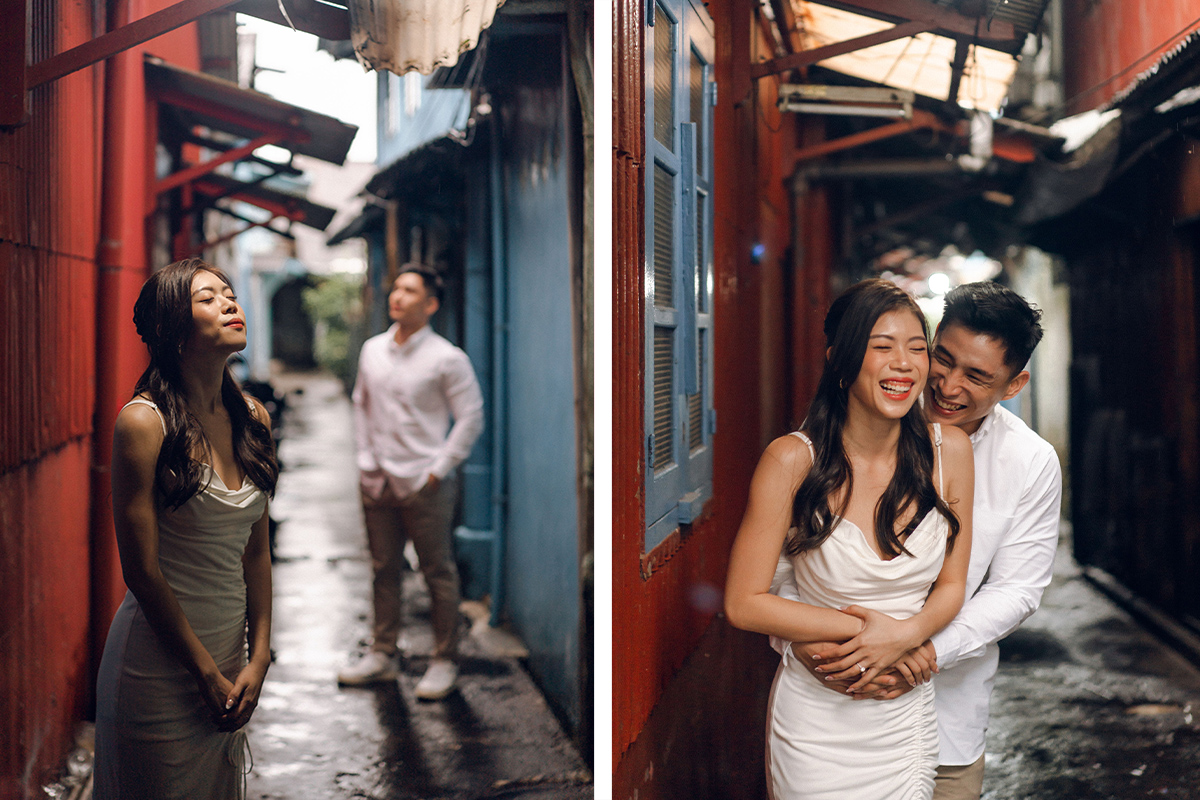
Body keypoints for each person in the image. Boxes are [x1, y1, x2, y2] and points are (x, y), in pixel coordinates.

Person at [771, 280, 1061, 800]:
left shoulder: (1031, 462)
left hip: (947, 718)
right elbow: (789, 567)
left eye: (976, 376)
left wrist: (918, 650)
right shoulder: (844, 430)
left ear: (1014, 385)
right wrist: (806, 642)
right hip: (832, 694)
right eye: (941, 359)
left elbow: (1017, 590)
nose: (947, 385)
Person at [725, 278, 975, 800]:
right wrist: (876, 636)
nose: (904, 363)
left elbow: (953, 584)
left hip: (901, 709)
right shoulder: (791, 460)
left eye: (916, 348)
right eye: (882, 347)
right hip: (817, 721)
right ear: (840, 361)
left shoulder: (951, 451)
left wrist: (907, 636)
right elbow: (745, 603)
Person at [94, 259, 277, 799]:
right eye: (208, 298)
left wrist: (259, 654)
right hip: (158, 665)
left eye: (229, 293)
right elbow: (142, 573)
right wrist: (204, 675)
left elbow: (257, 555)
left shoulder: (252, 417)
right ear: (174, 328)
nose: (229, 303)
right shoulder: (143, 424)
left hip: (230, 656)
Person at [337, 264, 484, 700]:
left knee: (436, 570)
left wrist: (439, 468)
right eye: (395, 288)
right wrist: (365, 461)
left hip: (426, 482)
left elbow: (471, 416)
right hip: (377, 479)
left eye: (409, 290)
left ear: (431, 304)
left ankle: (444, 660)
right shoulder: (372, 351)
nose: (396, 296)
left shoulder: (446, 358)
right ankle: (383, 654)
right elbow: (360, 405)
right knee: (384, 568)